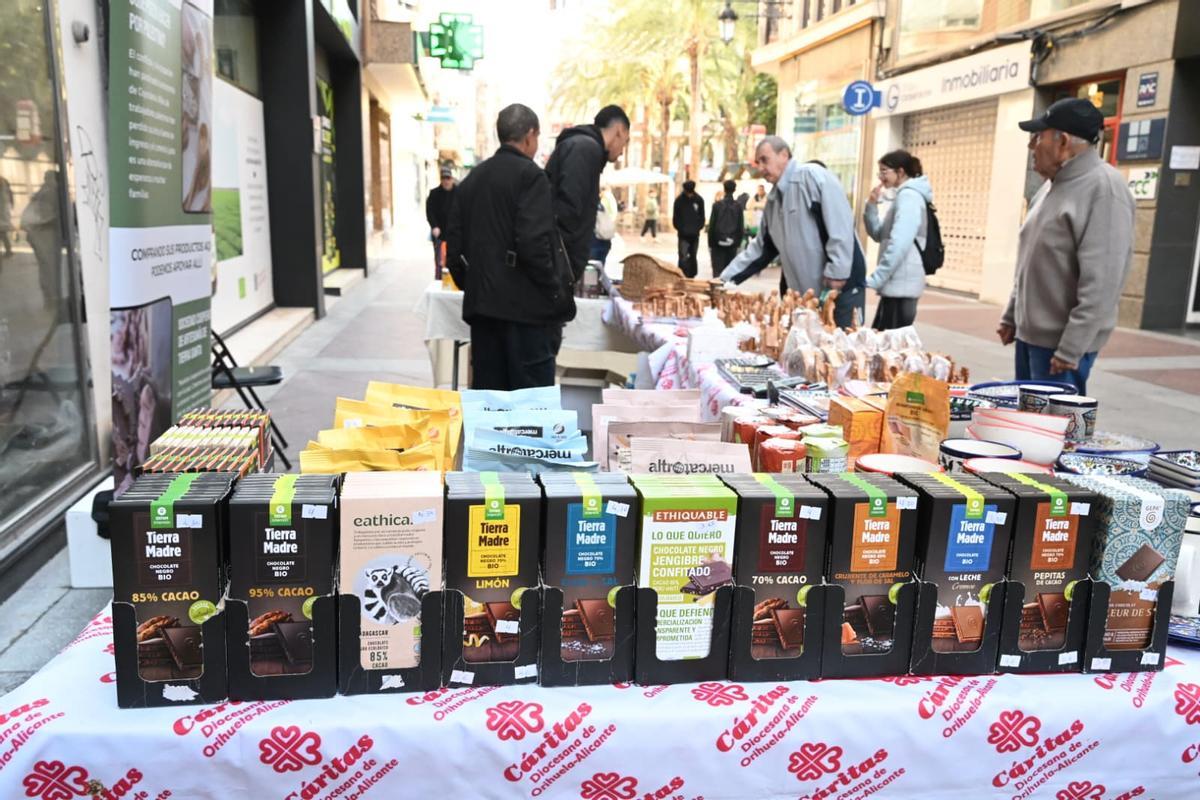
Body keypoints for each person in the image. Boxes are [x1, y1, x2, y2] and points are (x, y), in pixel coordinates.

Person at [997, 97, 1135, 394]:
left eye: (1038, 137)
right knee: (1026, 426)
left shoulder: (1104, 189)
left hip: (1061, 348)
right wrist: (1012, 315)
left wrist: (1072, 347)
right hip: (1031, 337)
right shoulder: (1050, 187)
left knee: (1055, 433)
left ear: (1063, 142)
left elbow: (1102, 282)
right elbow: (1031, 260)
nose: (1031, 146)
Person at [444, 104, 574, 391]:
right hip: (527, 314)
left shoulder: (470, 181)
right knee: (530, 412)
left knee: (490, 405)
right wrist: (553, 289)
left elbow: (453, 251)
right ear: (529, 135)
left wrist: (477, 283)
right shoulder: (531, 177)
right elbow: (534, 244)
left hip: (483, 312)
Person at [719, 138, 867, 328]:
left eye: (765, 160)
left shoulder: (812, 176)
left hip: (840, 289)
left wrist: (838, 272)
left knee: (843, 349)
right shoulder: (773, 201)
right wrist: (723, 281)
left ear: (784, 155)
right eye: (758, 162)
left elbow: (840, 224)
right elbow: (759, 250)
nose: (761, 167)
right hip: (806, 298)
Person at [545, 105, 631, 283]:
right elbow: (569, 208)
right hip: (559, 266)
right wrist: (565, 265)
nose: (623, 149)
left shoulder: (584, 148)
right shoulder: (585, 149)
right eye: (626, 141)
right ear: (619, 131)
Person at [863, 149, 932, 330]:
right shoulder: (902, 196)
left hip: (902, 285)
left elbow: (899, 242)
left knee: (891, 347)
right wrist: (871, 205)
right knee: (884, 343)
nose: (881, 177)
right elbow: (879, 234)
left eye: (884, 171)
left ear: (900, 172)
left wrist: (878, 277)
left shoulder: (909, 196)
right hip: (896, 285)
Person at [708, 179, 744, 278]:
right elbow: (740, 226)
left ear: (724, 189)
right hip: (732, 242)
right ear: (734, 190)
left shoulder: (717, 206)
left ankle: (716, 291)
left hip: (717, 242)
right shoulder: (738, 206)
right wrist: (738, 242)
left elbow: (712, 225)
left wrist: (710, 243)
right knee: (729, 271)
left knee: (717, 271)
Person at [426, 167, 456, 278]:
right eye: (443, 178)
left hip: (454, 234)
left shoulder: (458, 193)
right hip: (440, 234)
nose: (446, 181)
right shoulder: (434, 194)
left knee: (454, 260)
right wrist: (434, 226)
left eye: (448, 178)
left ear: (452, 179)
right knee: (439, 261)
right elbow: (430, 212)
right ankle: (439, 281)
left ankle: (454, 280)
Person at [672, 180, 705, 277]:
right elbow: (676, 217)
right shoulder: (679, 200)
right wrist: (680, 228)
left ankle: (692, 274)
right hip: (683, 234)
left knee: (693, 255)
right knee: (683, 255)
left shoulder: (699, 200)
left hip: (694, 234)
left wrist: (698, 227)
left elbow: (702, 216)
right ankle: (682, 274)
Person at [590, 186, 617, 266]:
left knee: (591, 272)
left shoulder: (587, 204)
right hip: (605, 241)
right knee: (600, 268)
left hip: (594, 242)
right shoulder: (600, 205)